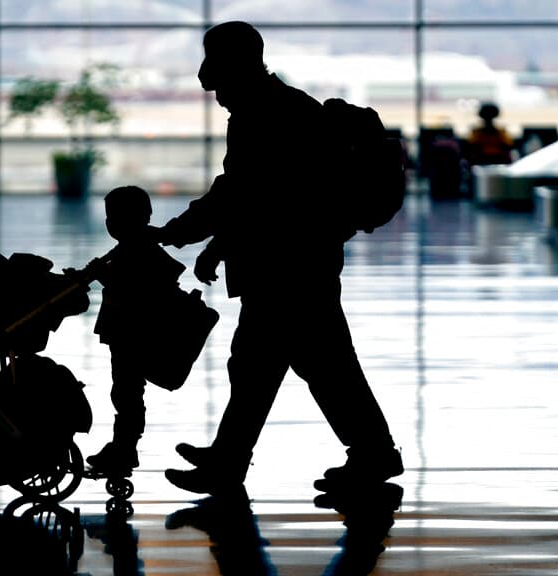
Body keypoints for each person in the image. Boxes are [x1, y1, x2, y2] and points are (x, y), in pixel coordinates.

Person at [156, 21, 402, 495]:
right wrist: (215, 245)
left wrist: (181, 233)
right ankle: (234, 459)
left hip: (290, 268)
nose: (218, 97)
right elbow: (257, 198)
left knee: (298, 366)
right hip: (295, 261)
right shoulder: (276, 108)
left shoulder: (269, 115)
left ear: (236, 68)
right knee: (272, 365)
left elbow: (245, 195)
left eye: (220, 86)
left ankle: (367, 455)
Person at [85, 186, 186, 475]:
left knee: (127, 392)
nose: (109, 223)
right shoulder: (131, 247)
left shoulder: (138, 251)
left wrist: (102, 275)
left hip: (133, 336)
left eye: (114, 217)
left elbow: (133, 289)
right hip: (128, 334)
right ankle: (124, 445)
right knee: (126, 391)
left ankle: (125, 447)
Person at [465, 102, 514, 167]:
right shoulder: (501, 131)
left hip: (491, 161)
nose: (488, 118)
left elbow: (508, 146)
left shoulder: (477, 132)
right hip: (485, 161)